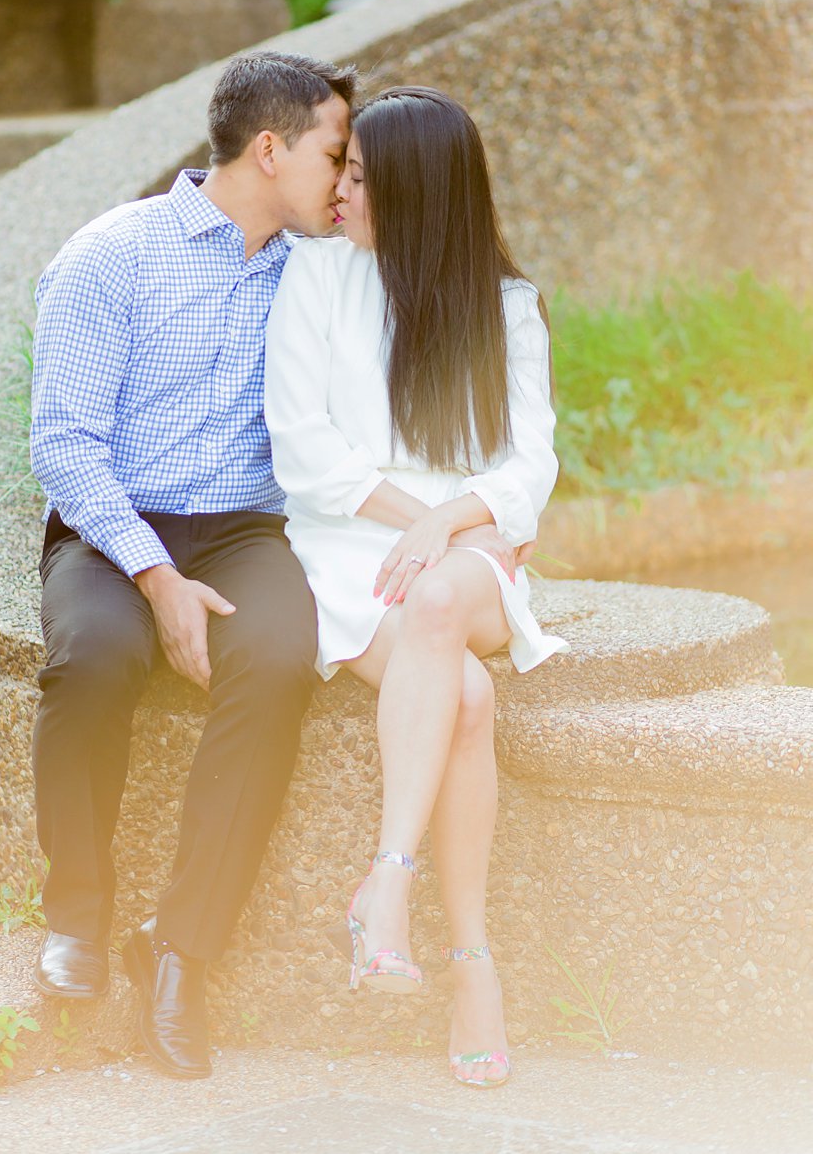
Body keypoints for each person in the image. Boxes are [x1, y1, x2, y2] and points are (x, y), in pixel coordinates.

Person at [28, 50, 357, 1079]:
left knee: (274, 661)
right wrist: (154, 578)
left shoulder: (318, 270)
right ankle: (77, 910)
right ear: (269, 149)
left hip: (247, 529)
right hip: (110, 522)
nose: (343, 178)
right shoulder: (108, 256)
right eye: (331, 153)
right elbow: (63, 446)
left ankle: (178, 951)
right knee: (90, 659)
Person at [265, 86, 565, 1089]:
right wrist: (414, 519)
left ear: (418, 194)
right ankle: (472, 962)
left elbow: (526, 472)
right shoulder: (310, 278)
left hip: (467, 555)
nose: (337, 191)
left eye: (358, 179)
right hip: (347, 545)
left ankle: (383, 886)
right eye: (340, 170)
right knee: (466, 700)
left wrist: (448, 523)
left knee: (439, 600)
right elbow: (302, 452)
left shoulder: (506, 310)